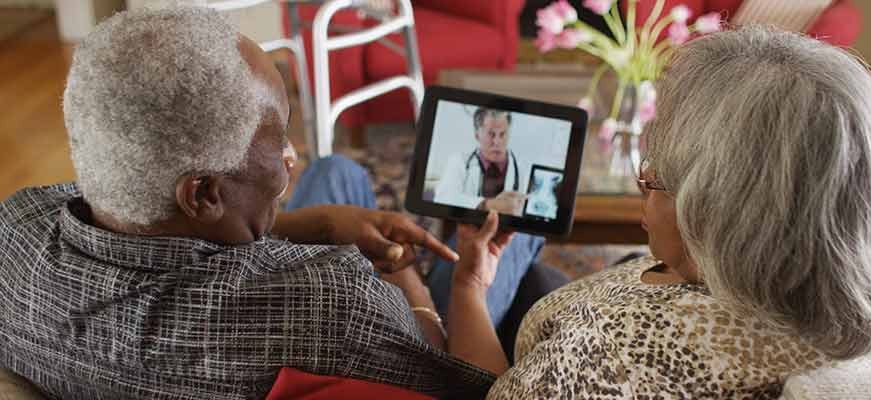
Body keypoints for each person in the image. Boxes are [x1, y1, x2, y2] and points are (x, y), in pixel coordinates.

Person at [0, 7, 542, 399]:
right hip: (402, 347)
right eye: (280, 137)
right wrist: (429, 285)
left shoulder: (16, 230)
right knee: (515, 247)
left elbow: (161, 248)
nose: (292, 156)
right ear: (204, 193)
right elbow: (477, 389)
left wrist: (324, 224)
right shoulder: (329, 303)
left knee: (336, 173)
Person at [447, 26, 871, 399]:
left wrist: (468, 285)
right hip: (617, 302)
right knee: (535, 273)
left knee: (485, 263)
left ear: (720, 215)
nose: (644, 189)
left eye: (655, 179)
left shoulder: (603, 353)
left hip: (541, 346)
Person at [433, 108, 530, 216]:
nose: (497, 142)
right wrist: (487, 205)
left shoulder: (525, 169)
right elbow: (442, 198)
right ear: (477, 135)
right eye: (491, 134)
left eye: (502, 134)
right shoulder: (459, 161)